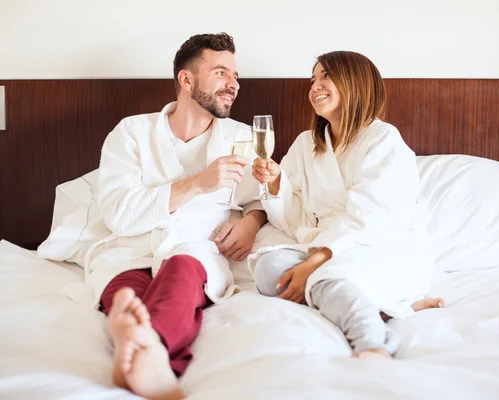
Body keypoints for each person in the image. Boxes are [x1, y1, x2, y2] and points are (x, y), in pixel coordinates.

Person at [91, 33, 265, 400]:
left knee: (182, 272)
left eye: (235, 76)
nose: (233, 84)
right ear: (186, 80)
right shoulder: (131, 133)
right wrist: (197, 184)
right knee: (124, 287)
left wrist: (252, 221)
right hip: (132, 249)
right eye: (220, 73)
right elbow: (119, 213)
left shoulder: (242, 137)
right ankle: (145, 344)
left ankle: (142, 340)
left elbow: (260, 197)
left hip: (194, 250)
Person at [250, 51, 443, 360]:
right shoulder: (305, 144)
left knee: (329, 276)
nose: (315, 86)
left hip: (381, 244)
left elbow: (371, 218)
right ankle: (381, 307)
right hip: (328, 244)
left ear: (357, 83)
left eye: (326, 76)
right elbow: (298, 220)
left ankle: (373, 343)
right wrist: (275, 184)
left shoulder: (383, 140)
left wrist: (313, 264)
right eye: (313, 79)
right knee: (269, 269)